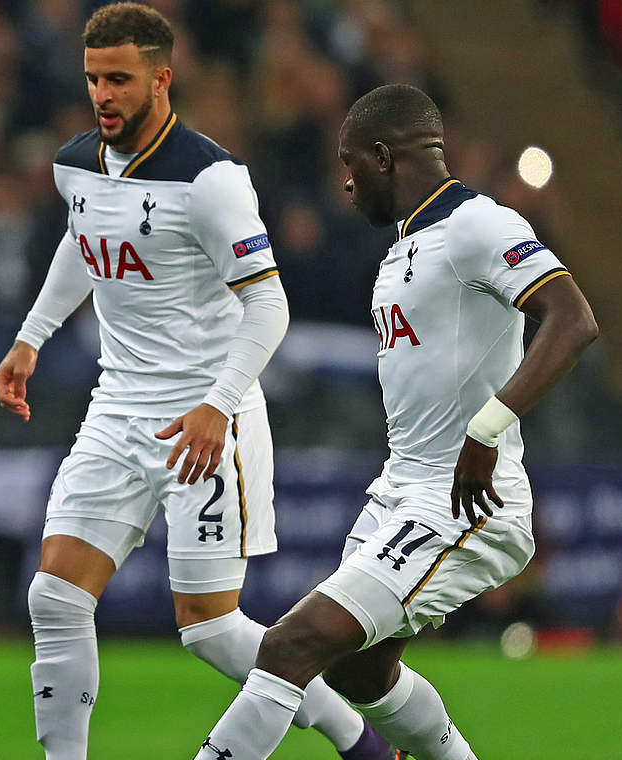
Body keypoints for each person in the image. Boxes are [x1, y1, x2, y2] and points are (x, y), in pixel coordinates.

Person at [0, 5, 392, 759]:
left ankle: (359, 741)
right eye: (93, 79)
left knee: (209, 630)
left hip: (208, 417)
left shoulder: (211, 180)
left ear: (162, 78)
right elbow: (83, 240)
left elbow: (269, 304)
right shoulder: (75, 163)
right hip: (116, 407)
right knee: (54, 596)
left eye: (119, 78)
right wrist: (30, 338)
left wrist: (217, 404)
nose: (103, 94)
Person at [193, 84, 599, 760]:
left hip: (464, 497)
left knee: (293, 642)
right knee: (361, 669)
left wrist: (487, 426)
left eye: (351, 165)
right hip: (400, 491)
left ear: (383, 157)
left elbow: (573, 319)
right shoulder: (400, 254)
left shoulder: (479, 225)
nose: (346, 186)